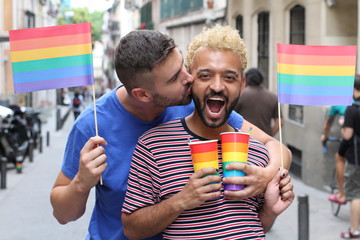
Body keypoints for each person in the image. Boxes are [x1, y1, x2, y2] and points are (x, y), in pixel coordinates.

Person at [50, 30, 291, 240]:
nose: (189, 79)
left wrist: (267, 175)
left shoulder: (191, 102)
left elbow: (274, 145)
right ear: (143, 94)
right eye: (175, 78)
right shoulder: (92, 125)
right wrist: (81, 182)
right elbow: (62, 215)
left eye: (184, 68)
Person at [122, 25, 294, 239]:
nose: (217, 86)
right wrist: (182, 200)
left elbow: (252, 226)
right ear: (190, 81)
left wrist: (270, 210)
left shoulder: (261, 157)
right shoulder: (152, 145)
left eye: (229, 78)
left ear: (241, 85)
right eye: (205, 76)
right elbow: (131, 229)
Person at [234, 68, 283, 136]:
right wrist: (269, 136)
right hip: (263, 141)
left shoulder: (240, 95)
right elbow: (280, 122)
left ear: (246, 80)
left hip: (243, 139)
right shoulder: (273, 97)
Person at [340, 76, 360, 239]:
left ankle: (354, 229)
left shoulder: (352, 109)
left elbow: (347, 135)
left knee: (355, 194)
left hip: (356, 157)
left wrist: (342, 126)